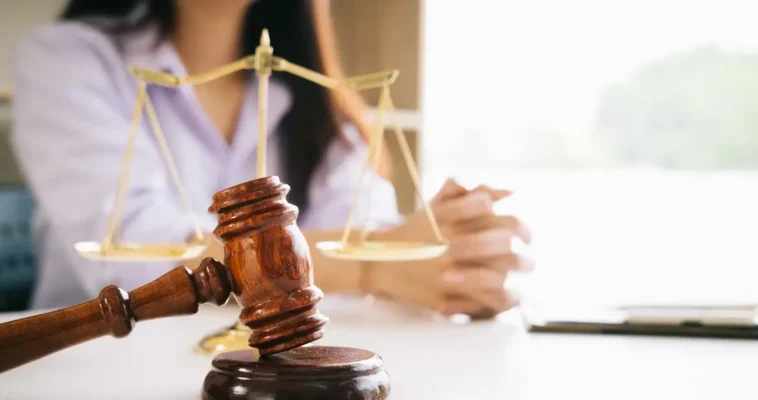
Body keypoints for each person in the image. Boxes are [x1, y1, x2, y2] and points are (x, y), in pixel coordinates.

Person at [11, 0, 533, 317]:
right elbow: (143, 267)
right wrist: (377, 262)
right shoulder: (68, 60)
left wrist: (461, 258)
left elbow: (371, 225)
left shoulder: (311, 99)